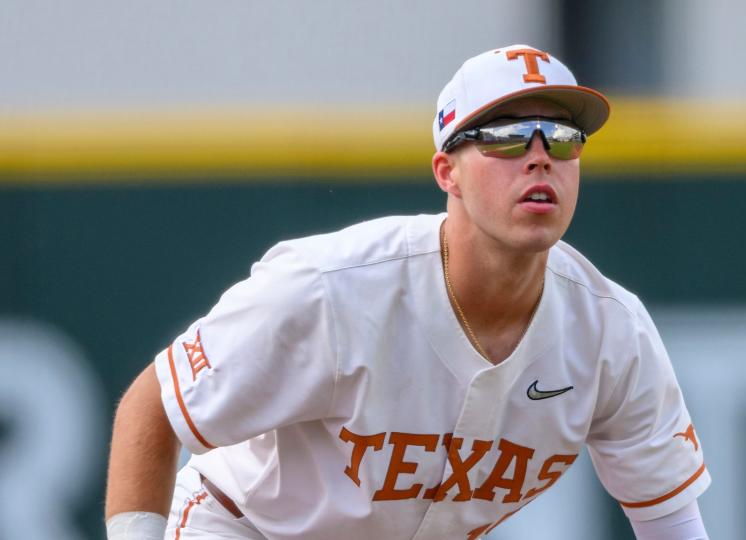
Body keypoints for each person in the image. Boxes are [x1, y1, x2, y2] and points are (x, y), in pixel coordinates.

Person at [105, 44, 710, 540]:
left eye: (561, 137)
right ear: (447, 171)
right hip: (242, 528)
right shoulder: (331, 289)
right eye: (505, 136)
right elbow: (152, 407)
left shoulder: (611, 330)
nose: (539, 157)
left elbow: (671, 522)